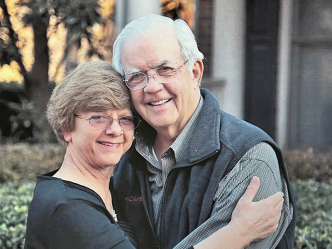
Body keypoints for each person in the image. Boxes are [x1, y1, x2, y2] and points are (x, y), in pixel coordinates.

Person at [24, 60, 283, 249]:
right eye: (98, 117)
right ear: (67, 127)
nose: (114, 130)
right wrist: (238, 233)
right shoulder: (68, 207)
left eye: (125, 118)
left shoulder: (106, 191)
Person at [111, 14, 296, 249]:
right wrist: (234, 234)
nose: (153, 87)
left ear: (195, 72)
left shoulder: (249, 156)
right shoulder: (126, 157)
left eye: (165, 69)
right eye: (137, 76)